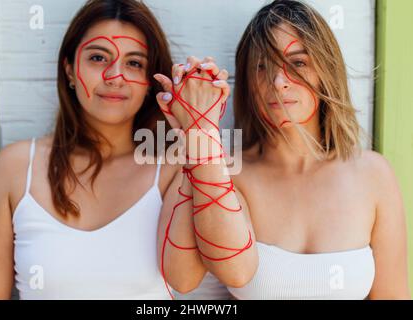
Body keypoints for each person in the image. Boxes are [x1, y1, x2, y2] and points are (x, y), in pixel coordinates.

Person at [155, 0, 410, 300]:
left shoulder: (372, 174)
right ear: (248, 83)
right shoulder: (225, 172)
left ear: (325, 72)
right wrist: (199, 132)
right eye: (262, 67)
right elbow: (184, 278)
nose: (278, 82)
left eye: (298, 63)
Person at [0, 0, 179, 299]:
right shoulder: (15, 168)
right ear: (69, 69)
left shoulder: (173, 169)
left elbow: (193, 278)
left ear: (149, 83)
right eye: (98, 57)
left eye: (134, 63)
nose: (114, 76)